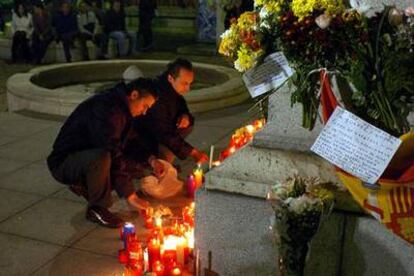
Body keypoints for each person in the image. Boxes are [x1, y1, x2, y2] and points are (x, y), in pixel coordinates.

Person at [47, 78, 163, 228]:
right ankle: (97, 209)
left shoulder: (123, 109)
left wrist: (151, 159)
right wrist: (130, 194)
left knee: (135, 167)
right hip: (64, 161)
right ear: (134, 95)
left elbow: (131, 142)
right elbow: (111, 150)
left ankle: (87, 185)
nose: (144, 111)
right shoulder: (107, 109)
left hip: (86, 154)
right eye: (145, 105)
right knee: (103, 158)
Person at [133, 58, 208, 166]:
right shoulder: (157, 97)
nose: (188, 89)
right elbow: (164, 133)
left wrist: (185, 115)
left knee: (186, 126)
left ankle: (164, 162)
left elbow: (183, 107)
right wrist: (193, 152)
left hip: (160, 133)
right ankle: (161, 163)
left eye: (190, 84)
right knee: (169, 139)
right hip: (144, 139)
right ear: (170, 78)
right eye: (184, 83)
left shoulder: (172, 91)